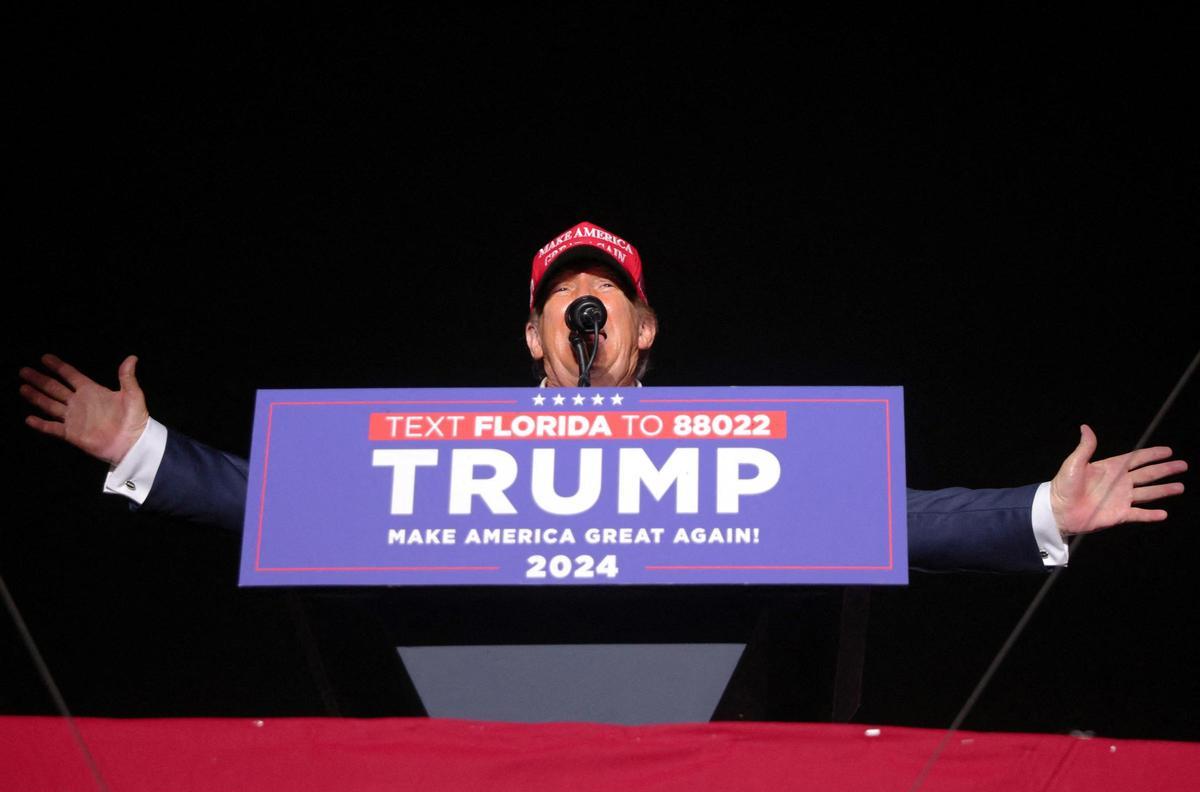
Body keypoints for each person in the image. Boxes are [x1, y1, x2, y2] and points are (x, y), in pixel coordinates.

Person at [19, 221, 1187, 571]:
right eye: (564, 298)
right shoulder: (445, 449)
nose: (588, 307)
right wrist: (149, 449)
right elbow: (292, 505)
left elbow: (891, 517)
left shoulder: (729, 450)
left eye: (608, 295)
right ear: (534, 335)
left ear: (646, 327)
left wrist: (1041, 508)